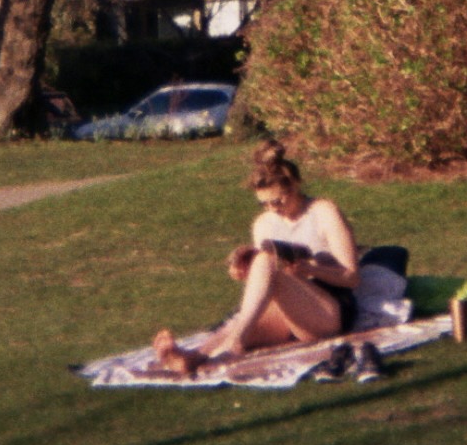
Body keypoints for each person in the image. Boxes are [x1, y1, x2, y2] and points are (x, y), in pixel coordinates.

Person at [154, 143, 380, 376]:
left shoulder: (323, 211)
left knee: (265, 262)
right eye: (265, 203)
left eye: (279, 200)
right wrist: (244, 271)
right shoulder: (263, 223)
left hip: (328, 308)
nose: (273, 208)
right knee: (241, 320)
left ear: (295, 185)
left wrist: (309, 268)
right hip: (287, 312)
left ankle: (236, 344)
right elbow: (264, 286)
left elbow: (351, 278)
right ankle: (194, 357)